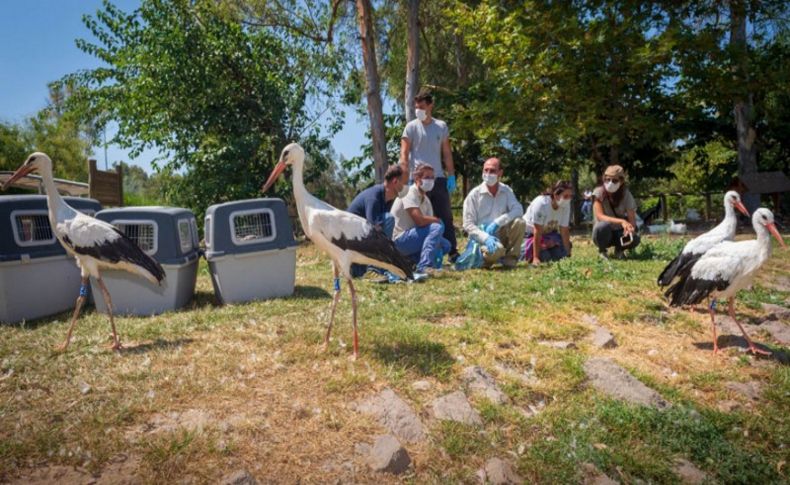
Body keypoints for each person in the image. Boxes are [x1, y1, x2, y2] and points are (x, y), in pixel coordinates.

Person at [400, 91, 458, 262]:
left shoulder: (441, 126)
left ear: (430, 105)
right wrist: (404, 175)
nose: (419, 110)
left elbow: (447, 153)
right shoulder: (411, 127)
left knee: (445, 215)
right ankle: (420, 253)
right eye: (416, 107)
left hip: (438, 178)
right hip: (417, 179)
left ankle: (452, 251)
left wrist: (451, 174)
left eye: (422, 107)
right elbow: (404, 153)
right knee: (419, 217)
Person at [462, 157, 525, 268]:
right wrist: (485, 237)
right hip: (481, 237)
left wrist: (498, 222)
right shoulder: (474, 195)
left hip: (501, 233)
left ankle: (510, 260)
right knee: (497, 249)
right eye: (485, 170)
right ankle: (484, 260)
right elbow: (468, 224)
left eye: (492, 171)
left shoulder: (506, 191)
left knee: (520, 222)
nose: (488, 173)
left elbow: (518, 209)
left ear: (500, 173)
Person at [346, 165, 406, 277]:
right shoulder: (374, 197)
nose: (405, 186)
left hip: (361, 242)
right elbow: (371, 229)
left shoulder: (387, 200)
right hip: (352, 242)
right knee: (388, 220)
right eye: (403, 182)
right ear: (395, 181)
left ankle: (372, 268)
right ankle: (374, 269)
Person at [390, 164, 450, 275]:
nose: (431, 181)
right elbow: (420, 221)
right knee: (436, 227)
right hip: (399, 240)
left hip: (414, 237)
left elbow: (429, 228)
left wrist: (435, 222)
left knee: (445, 245)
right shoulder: (408, 192)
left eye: (433, 178)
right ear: (417, 179)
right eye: (427, 177)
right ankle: (424, 266)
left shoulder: (426, 200)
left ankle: (411, 262)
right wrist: (436, 220)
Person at [592, 164, 641, 259]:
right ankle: (602, 251)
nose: (610, 183)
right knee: (601, 227)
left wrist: (630, 230)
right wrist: (622, 221)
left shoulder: (626, 194)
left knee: (635, 238)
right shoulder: (598, 193)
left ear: (621, 181)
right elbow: (600, 216)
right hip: (605, 232)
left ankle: (619, 249)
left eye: (614, 180)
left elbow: (632, 221)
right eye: (607, 179)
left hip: (619, 232)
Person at [523, 180, 573, 265]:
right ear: (556, 195)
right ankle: (529, 253)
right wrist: (536, 258)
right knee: (545, 257)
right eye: (565, 196)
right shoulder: (541, 204)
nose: (568, 199)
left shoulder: (565, 205)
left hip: (549, 235)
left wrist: (567, 254)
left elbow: (564, 230)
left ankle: (548, 249)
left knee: (559, 255)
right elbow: (537, 231)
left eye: (570, 196)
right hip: (530, 235)